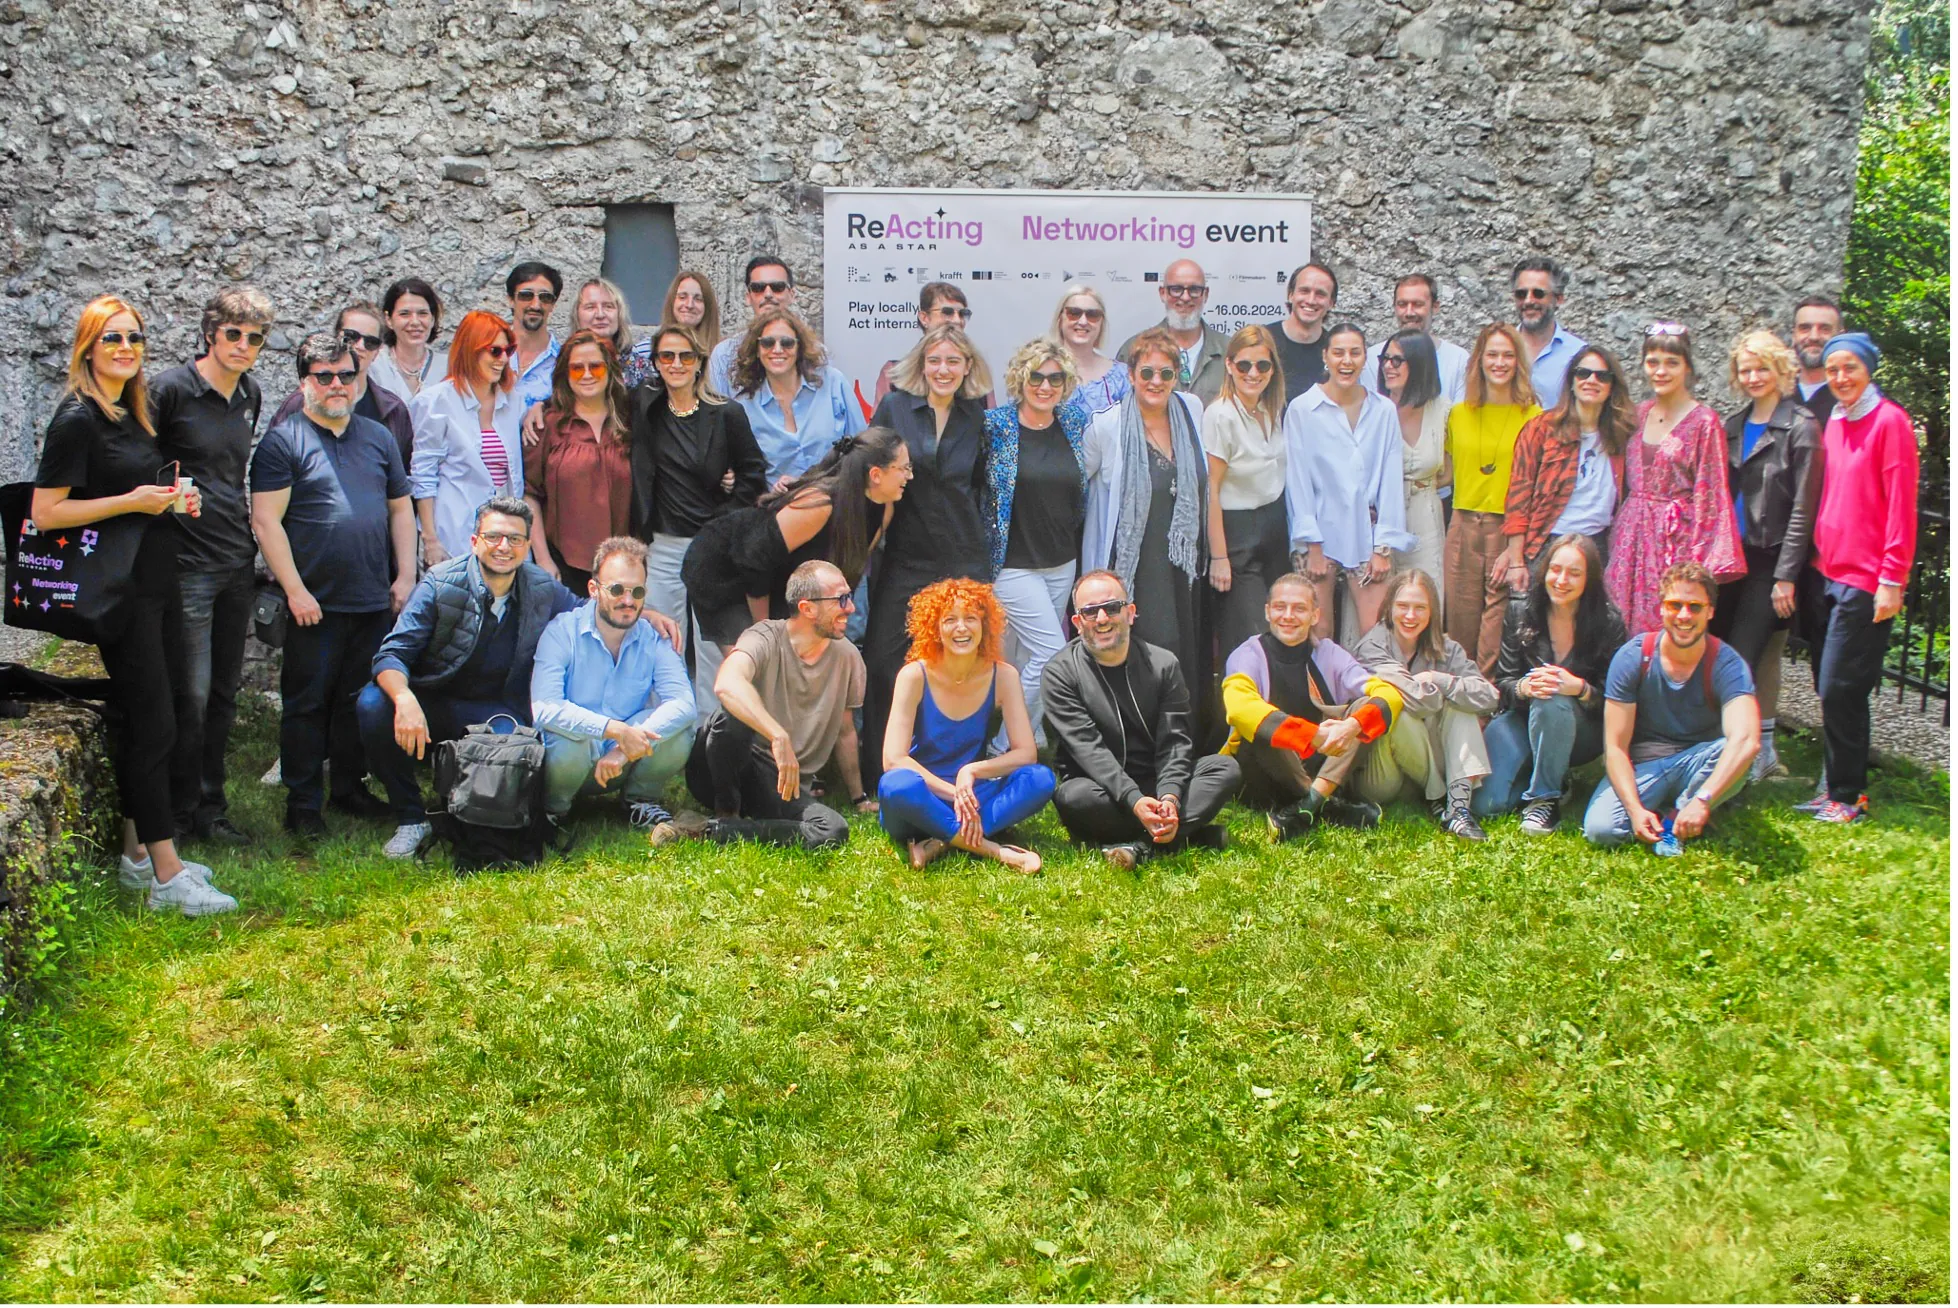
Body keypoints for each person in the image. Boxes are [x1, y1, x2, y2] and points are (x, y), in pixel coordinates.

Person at [32, 295, 236, 916]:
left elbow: (134, 491)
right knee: (155, 726)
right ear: (87, 347)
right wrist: (133, 502)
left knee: (161, 713)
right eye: (113, 338)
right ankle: (167, 877)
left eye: (135, 338)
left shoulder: (130, 412)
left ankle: (137, 856)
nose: (126, 348)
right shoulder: (77, 418)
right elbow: (46, 512)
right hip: (119, 595)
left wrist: (172, 499)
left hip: (154, 581)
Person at [359, 498, 672, 858]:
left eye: (515, 539)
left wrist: (644, 613)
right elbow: (391, 654)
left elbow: (586, 610)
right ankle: (411, 817)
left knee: (510, 770)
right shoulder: (439, 584)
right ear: (475, 541)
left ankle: (477, 815)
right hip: (432, 698)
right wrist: (404, 699)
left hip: (498, 709)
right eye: (494, 537)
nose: (504, 547)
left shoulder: (540, 587)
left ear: (526, 546)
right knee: (373, 705)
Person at [250, 332, 417, 838]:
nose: (338, 384)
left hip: (372, 597)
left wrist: (405, 575)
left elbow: (400, 509)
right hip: (313, 602)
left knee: (356, 702)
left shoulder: (378, 437)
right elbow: (265, 522)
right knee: (307, 704)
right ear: (305, 382)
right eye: (324, 376)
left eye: (346, 374)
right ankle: (303, 804)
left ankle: (348, 789)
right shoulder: (284, 441)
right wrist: (295, 590)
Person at [152, 286, 271, 846]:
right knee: (190, 695)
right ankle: (174, 814)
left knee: (224, 693)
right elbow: (139, 464)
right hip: (185, 564)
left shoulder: (250, 392)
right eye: (233, 334)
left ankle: (210, 809)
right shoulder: (170, 389)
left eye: (255, 338)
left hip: (234, 560)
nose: (243, 345)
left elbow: (232, 475)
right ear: (209, 334)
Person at [1795, 331, 1919, 825]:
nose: (1841, 377)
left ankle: (1850, 796)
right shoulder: (1836, 420)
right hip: (1825, 573)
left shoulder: (1891, 421)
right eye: (1833, 370)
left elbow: (1902, 507)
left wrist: (1893, 578)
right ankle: (1833, 785)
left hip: (1866, 580)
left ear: (1869, 370)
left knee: (1841, 688)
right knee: (1829, 687)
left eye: (1850, 368)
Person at [862, 325, 993, 784]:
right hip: (905, 555)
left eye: (953, 361)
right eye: (935, 360)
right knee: (883, 660)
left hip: (961, 556)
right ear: (921, 364)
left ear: (967, 367)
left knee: (959, 665)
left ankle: (955, 770)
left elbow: (981, 486)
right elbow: (868, 470)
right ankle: (880, 771)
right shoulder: (896, 407)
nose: (943, 370)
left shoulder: (977, 415)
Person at [1043, 571, 1241, 866]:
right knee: (1072, 797)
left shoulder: (1163, 664)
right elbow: (1088, 750)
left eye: (1112, 607)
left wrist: (1170, 797)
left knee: (1224, 768)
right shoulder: (1060, 674)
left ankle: (1142, 846)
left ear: (1130, 612)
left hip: (1157, 783)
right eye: (1090, 612)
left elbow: (1175, 742)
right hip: (1104, 790)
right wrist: (1134, 800)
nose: (1102, 619)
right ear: (1077, 622)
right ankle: (1187, 835)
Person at [681, 560, 875, 849]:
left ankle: (715, 830)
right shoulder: (764, 636)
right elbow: (726, 683)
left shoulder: (848, 658)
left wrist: (859, 797)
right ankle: (727, 810)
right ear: (807, 608)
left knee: (832, 830)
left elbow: (845, 731)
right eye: (841, 599)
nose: (851, 608)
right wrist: (777, 735)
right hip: (717, 771)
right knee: (729, 715)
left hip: (779, 783)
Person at [629, 321, 769, 720]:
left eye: (685, 356)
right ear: (656, 363)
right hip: (663, 543)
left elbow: (753, 473)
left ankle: (713, 728)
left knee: (713, 644)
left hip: (711, 546)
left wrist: (725, 517)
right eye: (666, 356)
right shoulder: (645, 407)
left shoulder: (726, 414)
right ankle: (664, 726)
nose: (676, 364)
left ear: (699, 362)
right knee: (662, 638)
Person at [877, 578, 1055, 872]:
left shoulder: (1004, 676)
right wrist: (956, 795)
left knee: (1040, 779)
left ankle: (942, 841)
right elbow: (894, 759)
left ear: (984, 625)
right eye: (950, 620)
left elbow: (1026, 753)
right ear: (935, 629)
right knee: (895, 785)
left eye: (970, 618)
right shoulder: (914, 675)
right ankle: (998, 851)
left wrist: (971, 772)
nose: (961, 628)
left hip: (973, 792)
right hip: (923, 796)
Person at [1583, 562, 1758, 853]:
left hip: (1699, 763)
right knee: (1601, 830)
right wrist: (1634, 810)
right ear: (1662, 608)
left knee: (1737, 749)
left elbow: (1747, 739)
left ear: (1710, 611)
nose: (1684, 615)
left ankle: (1679, 816)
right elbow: (1615, 748)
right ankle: (1666, 809)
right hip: (1645, 766)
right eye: (1675, 605)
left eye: (1695, 607)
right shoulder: (1634, 657)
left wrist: (1702, 799)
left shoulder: (1727, 663)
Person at [1085, 326, 1212, 726]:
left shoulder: (1191, 411)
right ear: (1131, 375)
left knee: (1185, 647)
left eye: (1166, 373)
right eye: (1147, 372)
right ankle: (1140, 734)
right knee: (1152, 645)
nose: (1156, 382)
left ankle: (1182, 736)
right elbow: (1080, 487)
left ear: (1177, 377)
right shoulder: (1107, 426)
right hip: (1137, 564)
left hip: (1183, 560)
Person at [1710, 330, 1821, 783]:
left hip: (1769, 562)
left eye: (1762, 368)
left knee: (1742, 658)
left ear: (1780, 370)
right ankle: (1712, 751)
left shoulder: (1801, 427)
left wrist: (1786, 575)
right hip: (1728, 560)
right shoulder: (1733, 426)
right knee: (1713, 651)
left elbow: (1804, 509)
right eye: (1745, 370)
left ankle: (1743, 757)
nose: (1754, 377)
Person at [682, 428, 911, 646]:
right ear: (876, 474)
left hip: (776, 580)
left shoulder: (884, 509)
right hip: (723, 567)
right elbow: (754, 561)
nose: (909, 476)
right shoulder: (820, 504)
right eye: (904, 468)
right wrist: (766, 633)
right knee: (756, 662)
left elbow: (846, 574)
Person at [531, 536, 696, 838]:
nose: (628, 601)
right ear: (593, 589)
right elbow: (545, 708)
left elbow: (684, 703)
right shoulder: (560, 632)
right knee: (568, 740)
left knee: (680, 732)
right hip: (572, 757)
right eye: (617, 590)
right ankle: (554, 809)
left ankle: (640, 801)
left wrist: (622, 749)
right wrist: (614, 730)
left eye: (637, 591)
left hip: (623, 758)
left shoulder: (655, 636)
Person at [1219, 574, 1403, 840]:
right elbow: (1239, 708)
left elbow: (1390, 695)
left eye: (1299, 608)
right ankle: (1328, 805)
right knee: (1259, 720)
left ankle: (1308, 807)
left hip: (1319, 765)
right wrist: (1313, 736)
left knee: (1364, 708)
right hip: (1263, 774)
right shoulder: (1247, 654)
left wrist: (1351, 727)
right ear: (1268, 612)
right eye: (1280, 607)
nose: (1288, 616)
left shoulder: (1328, 652)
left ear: (1315, 616)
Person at [1473, 534, 1629, 832]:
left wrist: (1579, 689)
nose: (1562, 580)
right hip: (1522, 719)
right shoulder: (1520, 612)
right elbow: (1503, 684)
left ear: (1589, 579)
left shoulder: (1608, 623)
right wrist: (1524, 688)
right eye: (1555, 569)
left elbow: (1613, 701)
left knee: (1553, 697)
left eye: (1574, 573)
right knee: (1486, 805)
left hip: (1580, 729)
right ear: (1544, 571)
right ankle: (1548, 776)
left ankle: (1544, 799)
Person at [1603, 323, 1744, 634]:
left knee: (1667, 621)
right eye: (1652, 362)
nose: (1660, 371)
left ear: (1687, 367)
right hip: (1629, 535)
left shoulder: (1704, 422)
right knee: (1616, 620)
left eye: (1671, 363)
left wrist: (1699, 562)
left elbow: (1712, 494)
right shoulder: (1636, 414)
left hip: (1675, 540)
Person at [983, 337, 1089, 744]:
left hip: (1061, 560)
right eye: (1036, 377)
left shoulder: (1073, 421)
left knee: (1030, 656)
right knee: (1051, 652)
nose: (1046, 386)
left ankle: (1032, 739)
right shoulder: (996, 426)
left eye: (1055, 378)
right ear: (1020, 379)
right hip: (1012, 564)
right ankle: (1004, 747)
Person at [1282, 321, 1412, 643]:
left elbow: (1390, 480)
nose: (1346, 361)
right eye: (1338, 352)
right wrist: (1312, 546)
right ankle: (1319, 682)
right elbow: (1297, 480)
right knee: (1318, 632)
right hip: (1319, 533)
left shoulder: (1383, 410)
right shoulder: (1302, 409)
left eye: (1355, 353)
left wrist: (1382, 548)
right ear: (1325, 356)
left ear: (1365, 357)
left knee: (1376, 632)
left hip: (1366, 532)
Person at [1349, 568, 1498, 840]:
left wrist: (1439, 680)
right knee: (1400, 713)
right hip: (1384, 775)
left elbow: (1489, 697)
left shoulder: (1447, 648)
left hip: (1424, 765)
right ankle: (1442, 798)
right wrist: (1447, 692)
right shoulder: (1371, 648)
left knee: (1461, 707)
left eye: (1420, 608)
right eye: (1402, 606)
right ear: (1389, 607)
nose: (1410, 616)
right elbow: (1421, 704)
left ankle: (1458, 810)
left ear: (1432, 613)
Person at [1444, 323, 1542, 672]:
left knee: (1494, 632)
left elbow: (1536, 487)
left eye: (1508, 355)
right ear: (1479, 360)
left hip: (1507, 530)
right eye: (1492, 355)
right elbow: (1445, 473)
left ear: (1518, 362)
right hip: (1463, 525)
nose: (1499, 363)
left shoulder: (1534, 417)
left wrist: (1515, 550)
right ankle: (1460, 696)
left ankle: (1487, 700)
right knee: (1459, 627)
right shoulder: (1458, 413)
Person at [1497, 347, 1634, 580]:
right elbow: (1518, 497)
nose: (1592, 380)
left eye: (1602, 376)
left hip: (1599, 544)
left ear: (1612, 386)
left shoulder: (1622, 435)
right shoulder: (1541, 429)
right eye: (1583, 373)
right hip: (1547, 541)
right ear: (1571, 381)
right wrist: (1516, 561)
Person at [1202, 324, 1292, 659]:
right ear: (1229, 365)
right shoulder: (1220, 415)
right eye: (1244, 365)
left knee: (1280, 629)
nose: (1253, 373)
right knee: (1249, 635)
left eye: (1262, 365)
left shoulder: (1271, 408)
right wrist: (1219, 557)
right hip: (1237, 534)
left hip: (1275, 528)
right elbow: (1211, 489)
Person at [409, 309, 525, 564]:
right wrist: (430, 539)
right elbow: (423, 475)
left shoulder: (513, 402)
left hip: (503, 537)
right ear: (471, 350)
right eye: (494, 351)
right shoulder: (435, 401)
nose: (503, 359)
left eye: (508, 351)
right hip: (453, 537)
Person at [522, 330, 632, 593]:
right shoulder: (546, 425)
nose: (586, 374)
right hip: (562, 565)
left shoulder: (631, 421)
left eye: (596, 366)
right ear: (565, 374)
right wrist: (543, 559)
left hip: (624, 565)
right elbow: (530, 495)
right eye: (577, 368)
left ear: (610, 370)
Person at [727, 307, 865, 487]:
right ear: (757, 349)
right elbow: (743, 474)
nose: (777, 350)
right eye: (768, 343)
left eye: (787, 343)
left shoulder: (833, 383)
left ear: (799, 347)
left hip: (837, 498)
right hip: (777, 503)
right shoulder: (744, 407)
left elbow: (862, 449)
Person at [270, 303, 416, 463]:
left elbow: (403, 470)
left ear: (377, 352)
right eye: (351, 337)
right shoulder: (299, 403)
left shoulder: (393, 410)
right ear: (335, 339)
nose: (360, 346)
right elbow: (273, 462)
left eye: (370, 342)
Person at [523, 278, 641, 443]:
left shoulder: (638, 366)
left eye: (608, 306)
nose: (600, 314)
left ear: (619, 314)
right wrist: (541, 406)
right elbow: (560, 397)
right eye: (590, 307)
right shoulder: (563, 361)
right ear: (577, 315)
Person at [1376, 329, 1448, 595]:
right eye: (1385, 358)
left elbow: (1451, 469)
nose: (1388, 366)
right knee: (1376, 598)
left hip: (1423, 514)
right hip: (1378, 519)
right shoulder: (1372, 409)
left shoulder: (1443, 410)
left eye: (1397, 360)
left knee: (1424, 594)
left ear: (1419, 363)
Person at [1117, 259, 1229, 404]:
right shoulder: (1133, 349)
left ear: (1205, 294)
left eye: (1194, 290)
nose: (1185, 297)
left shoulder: (1229, 350)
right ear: (1162, 293)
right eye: (1176, 289)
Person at [1363, 274, 1469, 403]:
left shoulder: (1458, 360)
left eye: (1418, 304)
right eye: (1402, 304)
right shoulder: (1373, 358)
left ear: (1435, 307)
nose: (1409, 313)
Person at [872, 281, 978, 404]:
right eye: (947, 312)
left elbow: (989, 414)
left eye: (962, 314)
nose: (957, 320)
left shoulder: (976, 372)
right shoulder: (894, 373)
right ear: (924, 318)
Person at [707, 255, 797, 397]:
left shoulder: (815, 353)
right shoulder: (724, 355)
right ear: (748, 297)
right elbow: (715, 408)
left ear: (792, 295)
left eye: (777, 287)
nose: (768, 294)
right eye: (758, 288)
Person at [623, 270, 722, 388]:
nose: (689, 305)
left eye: (698, 299)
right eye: (682, 297)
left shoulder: (722, 355)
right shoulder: (643, 352)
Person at [1511, 257, 1588, 407]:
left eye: (1538, 293)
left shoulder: (1579, 354)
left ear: (1558, 299)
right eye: (1521, 294)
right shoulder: (1498, 352)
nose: (1528, 301)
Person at [1051, 283, 1131, 421]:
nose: (1083, 321)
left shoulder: (1122, 377)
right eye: (1074, 313)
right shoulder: (1037, 370)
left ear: (1101, 323)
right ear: (1060, 319)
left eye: (1092, 315)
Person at [1266, 262, 1336, 405]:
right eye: (1304, 291)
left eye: (1320, 294)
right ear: (1290, 295)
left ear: (1331, 303)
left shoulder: (1336, 351)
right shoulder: (1262, 341)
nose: (1311, 300)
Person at [369, 277, 447, 401]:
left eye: (423, 313)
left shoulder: (449, 368)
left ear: (432, 319)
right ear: (389, 319)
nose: (415, 322)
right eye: (404, 314)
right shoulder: (374, 366)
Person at [506, 260, 563, 412]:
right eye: (526, 295)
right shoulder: (488, 353)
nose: (536, 305)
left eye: (545, 297)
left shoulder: (564, 363)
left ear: (553, 304)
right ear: (511, 300)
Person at [1790, 295, 1844, 424]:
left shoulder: (1852, 401)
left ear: (1840, 337)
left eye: (1825, 329)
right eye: (1805, 328)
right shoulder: (1776, 398)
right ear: (1794, 335)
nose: (1814, 337)